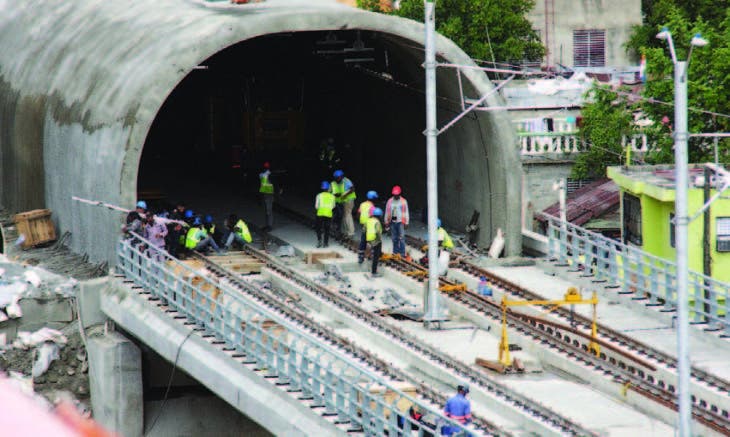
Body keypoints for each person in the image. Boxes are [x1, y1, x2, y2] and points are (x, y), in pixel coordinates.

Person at [330, 169, 356, 239]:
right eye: (336, 178)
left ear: (341, 176)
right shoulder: (339, 182)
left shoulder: (346, 181)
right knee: (344, 216)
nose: (337, 179)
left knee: (347, 215)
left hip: (349, 200)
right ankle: (346, 232)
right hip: (344, 200)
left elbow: (352, 189)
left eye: (338, 178)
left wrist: (344, 195)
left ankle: (351, 233)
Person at [384, 185, 409, 257]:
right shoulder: (389, 201)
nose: (395, 196)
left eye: (397, 195)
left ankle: (402, 253)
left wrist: (407, 222)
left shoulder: (404, 201)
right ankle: (395, 252)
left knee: (401, 238)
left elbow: (406, 212)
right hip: (392, 222)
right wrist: (386, 222)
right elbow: (387, 211)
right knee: (394, 238)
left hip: (400, 222)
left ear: (399, 194)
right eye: (394, 195)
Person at [357, 190, 378, 264]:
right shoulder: (372, 206)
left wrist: (360, 221)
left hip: (363, 224)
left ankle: (361, 256)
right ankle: (373, 255)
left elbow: (359, 213)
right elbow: (372, 216)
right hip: (369, 224)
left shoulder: (362, 204)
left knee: (363, 240)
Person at [315, 181, 336, 248]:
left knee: (319, 228)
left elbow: (316, 206)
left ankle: (319, 241)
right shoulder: (332, 196)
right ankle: (325, 243)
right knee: (327, 229)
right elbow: (333, 206)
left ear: (322, 188)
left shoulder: (319, 195)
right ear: (328, 188)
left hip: (320, 214)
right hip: (328, 214)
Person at [366, 207, 383, 277]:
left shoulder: (369, 220)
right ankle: (374, 272)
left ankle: (373, 256)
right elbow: (378, 232)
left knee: (374, 251)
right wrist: (379, 240)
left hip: (369, 239)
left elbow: (364, 229)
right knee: (376, 256)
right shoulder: (377, 222)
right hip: (375, 240)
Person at [259, 161, 275, 231]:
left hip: (268, 194)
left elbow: (274, 184)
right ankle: (267, 226)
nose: (265, 168)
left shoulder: (269, 175)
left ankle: (269, 226)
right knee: (266, 211)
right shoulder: (264, 174)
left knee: (268, 211)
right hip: (265, 194)